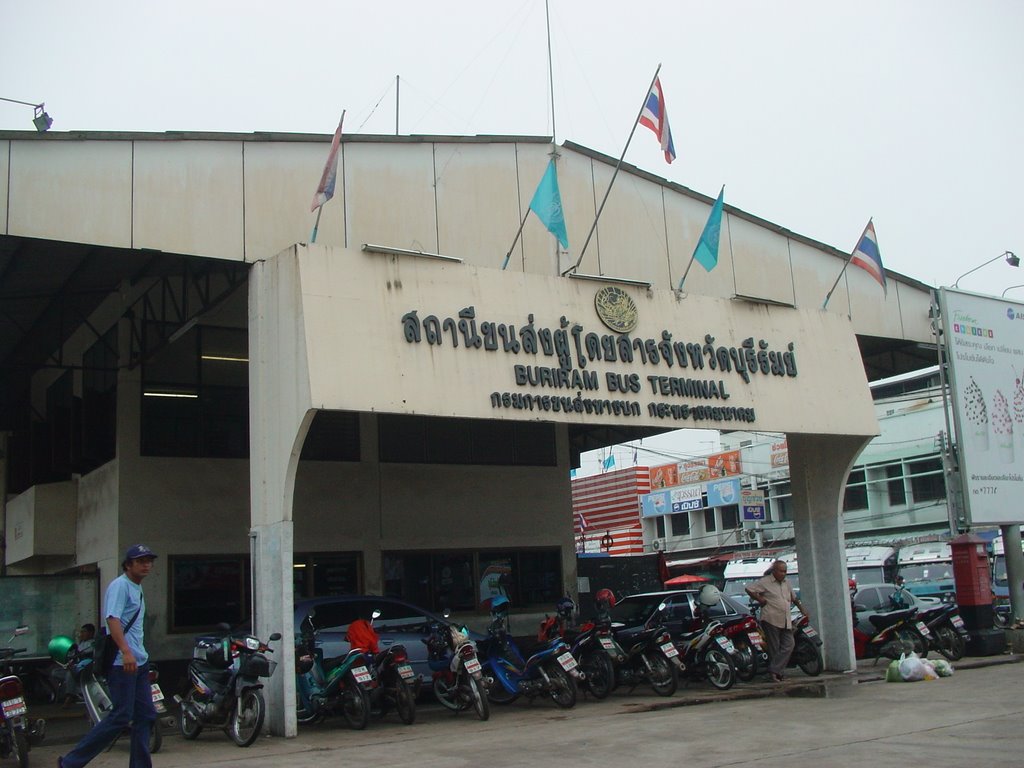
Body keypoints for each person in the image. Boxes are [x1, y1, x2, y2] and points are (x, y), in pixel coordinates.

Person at [59, 545, 158, 768]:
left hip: (139, 662)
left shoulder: (136, 587)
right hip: (123, 663)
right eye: (141, 561)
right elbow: (112, 619)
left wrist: (136, 654)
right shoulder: (120, 586)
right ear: (128, 564)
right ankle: (70, 762)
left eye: (149, 560)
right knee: (121, 716)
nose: (146, 565)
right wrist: (126, 651)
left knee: (146, 715)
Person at [746, 559, 808, 683]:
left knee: (789, 645)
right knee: (775, 647)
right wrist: (760, 599)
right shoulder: (765, 582)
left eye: (785, 571)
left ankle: (774, 670)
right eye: (781, 571)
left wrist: (803, 610)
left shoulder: (786, 583)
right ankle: (777, 674)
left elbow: (794, 598)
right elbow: (749, 589)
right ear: (774, 571)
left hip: (785, 619)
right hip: (771, 618)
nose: (783, 573)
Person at [62, 623, 97, 707]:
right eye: (81, 632)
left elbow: (84, 653)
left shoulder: (93, 644)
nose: (81, 634)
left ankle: (70, 696)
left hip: (86, 668)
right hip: (76, 667)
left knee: (70, 674)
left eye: (84, 632)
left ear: (91, 633)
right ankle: (75, 692)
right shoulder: (80, 644)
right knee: (56, 672)